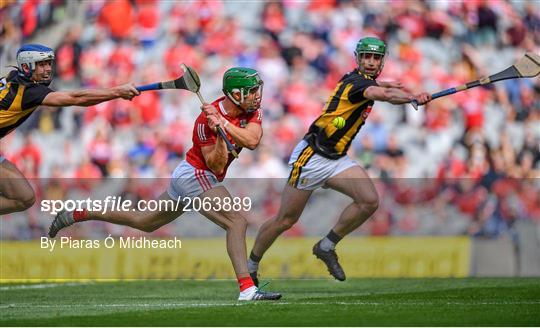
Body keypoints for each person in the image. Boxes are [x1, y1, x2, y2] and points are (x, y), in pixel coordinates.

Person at [48, 67, 282, 301]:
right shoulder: (203, 122)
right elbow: (216, 165)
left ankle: (77, 213)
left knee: (144, 222)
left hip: (196, 175)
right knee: (236, 222)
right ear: (236, 94)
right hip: (195, 173)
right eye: (251, 91)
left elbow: (252, 140)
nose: (257, 95)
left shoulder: (250, 111)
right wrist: (219, 134)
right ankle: (247, 288)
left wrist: (223, 125)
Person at [247, 37, 432, 285]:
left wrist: (398, 92)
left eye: (375, 57)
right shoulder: (358, 83)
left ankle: (326, 246)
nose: (370, 61)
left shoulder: (365, 82)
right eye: (365, 56)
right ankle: (250, 267)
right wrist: (411, 98)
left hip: (337, 159)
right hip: (312, 157)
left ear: (381, 62)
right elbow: (381, 93)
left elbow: (381, 89)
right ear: (358, 58)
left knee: (369, 201)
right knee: (286, 220)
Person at [0, 44, 139, 215]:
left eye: (48, 63)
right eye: (41, 64)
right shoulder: (29, 92)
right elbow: (76, 98)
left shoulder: (14, 77)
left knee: (25, 198)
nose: (47, 69)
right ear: (27, 66)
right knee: (23, 198)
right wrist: (116, 92)